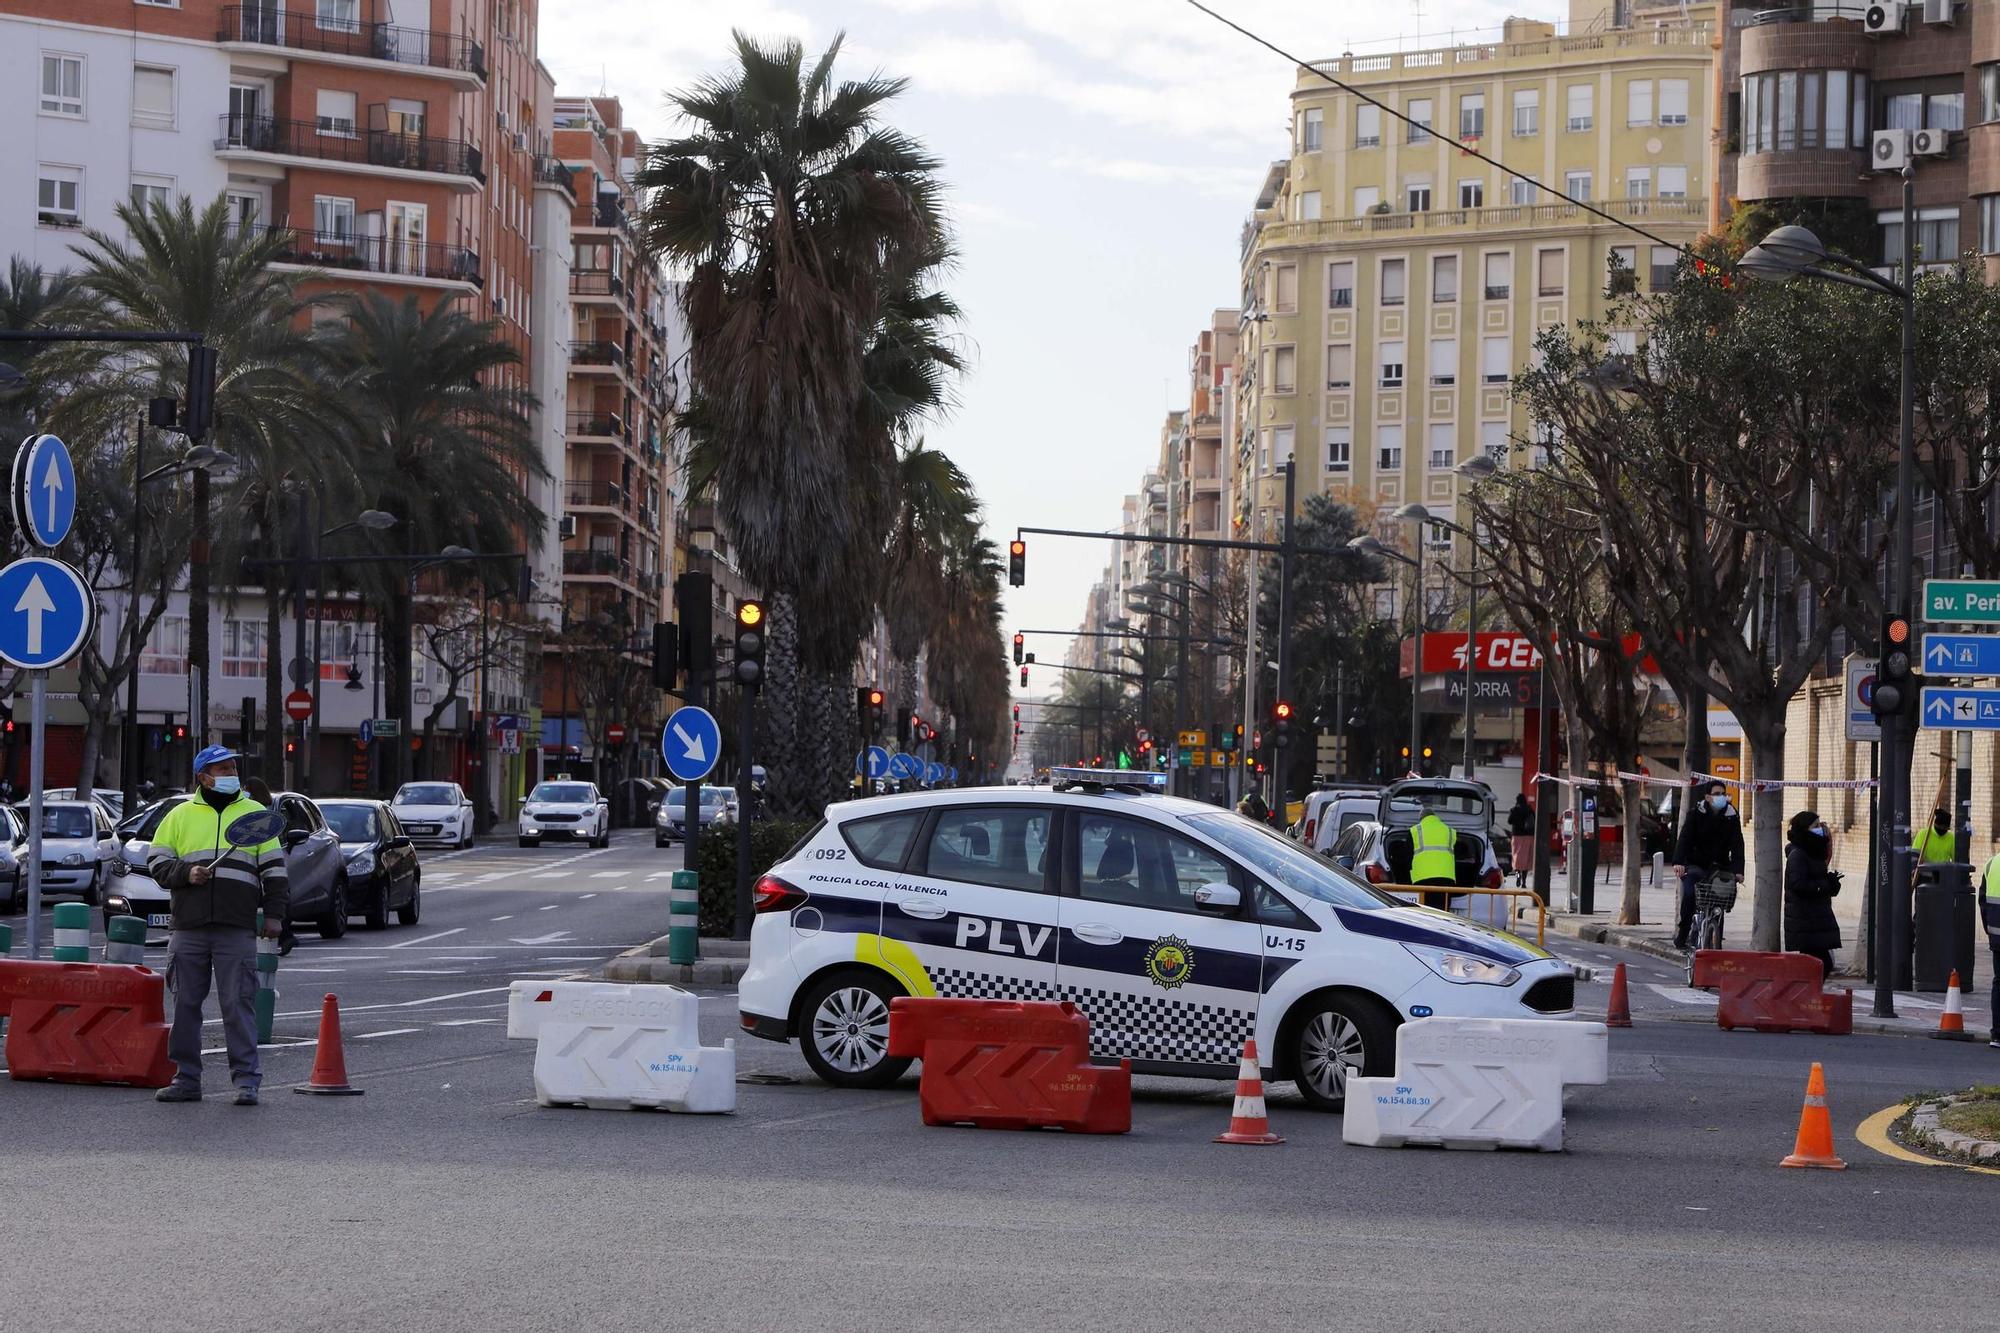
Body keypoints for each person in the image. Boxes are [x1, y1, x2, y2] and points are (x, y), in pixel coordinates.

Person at [147, 746, 288, 1106]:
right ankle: (187, 1079)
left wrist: (274, 915)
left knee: (238, 1004)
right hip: (188, 926)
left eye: (232, 767)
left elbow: (274, 872)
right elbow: (157, 862)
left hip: (236, 926)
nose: (230, 773)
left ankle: (246, 1081)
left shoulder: (255, 815)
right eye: (222, 768)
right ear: (203, 776)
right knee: (184, 1007)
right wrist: (185, 873)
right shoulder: (179, 816)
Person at [1671, 780, 1745, 950]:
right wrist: (1678, 862)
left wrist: (1738, 870)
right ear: (1707, 797)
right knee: (1690, 895)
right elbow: (1685, 839)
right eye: (1717, 794)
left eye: (1723, 794)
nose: (1721, 797)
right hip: (1695, 864)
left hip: (1720, 866)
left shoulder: (1731, 816)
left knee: (1720, 899)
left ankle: (1715, 941)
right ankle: (1683, 933)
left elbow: (1737, 844)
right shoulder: (1696, 813)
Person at [1783, 810, 1842, 982]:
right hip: (1805, 919)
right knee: (1821, 963)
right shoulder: (1798, 855)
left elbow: (1818, 881)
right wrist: (1823, 885)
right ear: (1804, 829)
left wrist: (1831, 883)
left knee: (1817, 964)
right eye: (1815, 826)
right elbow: (1798, 884)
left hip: (1815, 918)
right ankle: (1804, 997)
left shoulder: (1814, 852)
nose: (1820, 828)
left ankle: (1807, 996)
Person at [242, 776, 295, 956]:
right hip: (263, 862)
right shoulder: (261, 810)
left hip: (261, 863)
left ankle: (284, 936)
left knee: (268, 899)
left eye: (245, 788)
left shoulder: (258, 812)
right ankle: (285, 936)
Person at [1410, 809, 1458, 911]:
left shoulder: (1415, 830)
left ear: (1421, 819)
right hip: (1446, 878)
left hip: (1422, 878)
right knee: (1442, 911)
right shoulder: (1449, 830)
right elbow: (1457, 852)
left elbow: (1407, 855)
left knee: (1424, 911)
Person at [1979, 848, 2000, 1049]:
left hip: (1997, 937)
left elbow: (1982, 902)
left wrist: (1990, 931)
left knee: (1998, 983)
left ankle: (1997, 1035)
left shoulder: (1991, 863)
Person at [1507, 792, 1535, 889]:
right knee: (1526, 860)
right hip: (1528, 837)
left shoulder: (1514, 810)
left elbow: (1509, 821)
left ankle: (1517, 876)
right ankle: (1524, 882)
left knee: (1517, 859)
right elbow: (1534, 821)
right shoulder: (1529, 809)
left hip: (1517, 836)